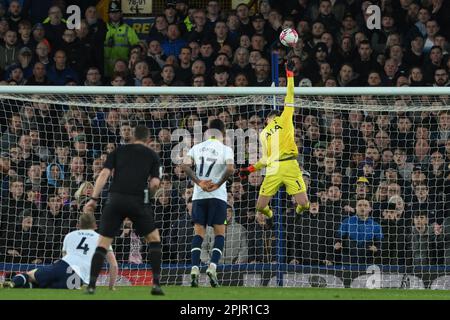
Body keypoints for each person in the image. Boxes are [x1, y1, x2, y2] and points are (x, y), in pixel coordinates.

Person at [83, 125, 163, 295]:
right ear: (148, 139)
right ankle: (156, 284)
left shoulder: (118, 151)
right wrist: (148, 198)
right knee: (154, 238)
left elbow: (103, 175)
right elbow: (155, 184)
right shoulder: (152, 155)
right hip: (137, 200)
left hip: (115, 200)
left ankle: (91, 285)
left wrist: (93, 199)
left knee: (103, 243)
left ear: (132, 137)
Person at [239, 60, 310, 225]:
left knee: (304, 204)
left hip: (291, 165)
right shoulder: (263, 134)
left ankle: (298, 213)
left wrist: (290, 75)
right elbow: (265, 159)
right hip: (273, 168)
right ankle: (270, 216)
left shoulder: (285, 118)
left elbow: (290, 95)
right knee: (260, 206)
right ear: (267, 120)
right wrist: (249, 169)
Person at [181, 119, 235, 288]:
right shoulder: (226, 149)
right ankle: (212, 267)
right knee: (220, 234)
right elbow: (230, 168)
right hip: (217, 196)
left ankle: (195, 269)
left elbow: (185, 166)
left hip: (198, 196)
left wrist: (199, 182)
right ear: (223, 133)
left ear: (207, 132)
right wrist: (217, 184)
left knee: (198, 234)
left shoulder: (197, 148)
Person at [2, 214, 118, 290]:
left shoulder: (70, 235)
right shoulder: (102, 238)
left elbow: (64, 257)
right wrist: (111, 287)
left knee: (30, 275)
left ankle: (13, 283)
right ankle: (22, 284)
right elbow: (113, 265)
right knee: (47, 287)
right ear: (95, 225)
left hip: (62, 266)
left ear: (78, 225)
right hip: (77, 280)